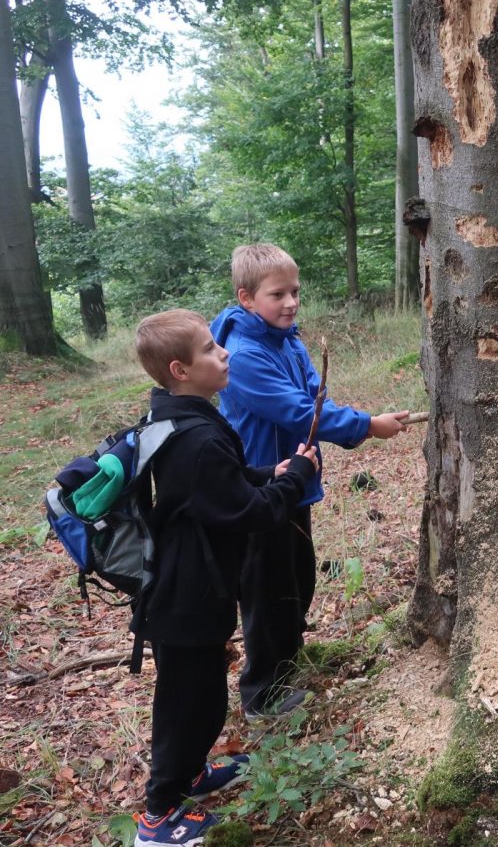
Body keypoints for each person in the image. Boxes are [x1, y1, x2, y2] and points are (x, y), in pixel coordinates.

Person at [130, 310, 318, 846]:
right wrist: (296, 478)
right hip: (185, 596)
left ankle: (192, 774)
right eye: (211, 349)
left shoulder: (179, 419)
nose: (225, 353)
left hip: (192, 585)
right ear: (181, 370)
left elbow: (217, 488)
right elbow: (253, 514)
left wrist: (268, 472)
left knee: (206, 695)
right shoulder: (198, 440)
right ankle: (158, 817)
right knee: (185, 704)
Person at [211, 243, 410, 720]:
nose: (290, 303)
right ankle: (261, 695)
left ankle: (286, 665)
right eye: (277, 294)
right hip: (262, 490)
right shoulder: (243, 356)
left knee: (297, 578)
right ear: (246, 298)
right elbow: (301, 413)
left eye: (295, 292)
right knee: (265, 589)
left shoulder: (289, 340)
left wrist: (353, 418)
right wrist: (367, 426)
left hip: (295, 483)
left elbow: (316, 398)